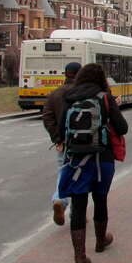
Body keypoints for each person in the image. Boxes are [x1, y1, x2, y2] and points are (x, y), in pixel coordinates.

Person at [57, 63, 127, 263]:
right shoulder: (104, 97)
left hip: (76, 160)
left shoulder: (69, 98)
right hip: (102, 158)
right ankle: (100, 241)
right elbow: (122, 127)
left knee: (78, 205)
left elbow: (61, 131)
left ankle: (79, 256)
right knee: (100, 199)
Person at [42, 61, 81, 226]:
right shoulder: (83, 93)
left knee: (63, 172)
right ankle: (76, 212)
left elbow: (47, 116)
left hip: (63, 142)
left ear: (66, 74)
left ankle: (60, 199)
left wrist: (57, 138)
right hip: (82, 142)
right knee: (81, 176)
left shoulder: (55, 94)